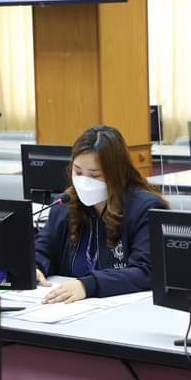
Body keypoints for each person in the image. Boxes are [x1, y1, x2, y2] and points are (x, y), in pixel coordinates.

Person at [35, 125, 167, 304]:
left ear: (116, 174)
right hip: (67, 307)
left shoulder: (145, 208)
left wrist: (88, 285)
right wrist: (35, 266)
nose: (84, 181)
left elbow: (147, 271)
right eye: (78, 172)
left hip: (124, 308)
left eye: (94, 175)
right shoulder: (65, 203)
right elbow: (43, 248)